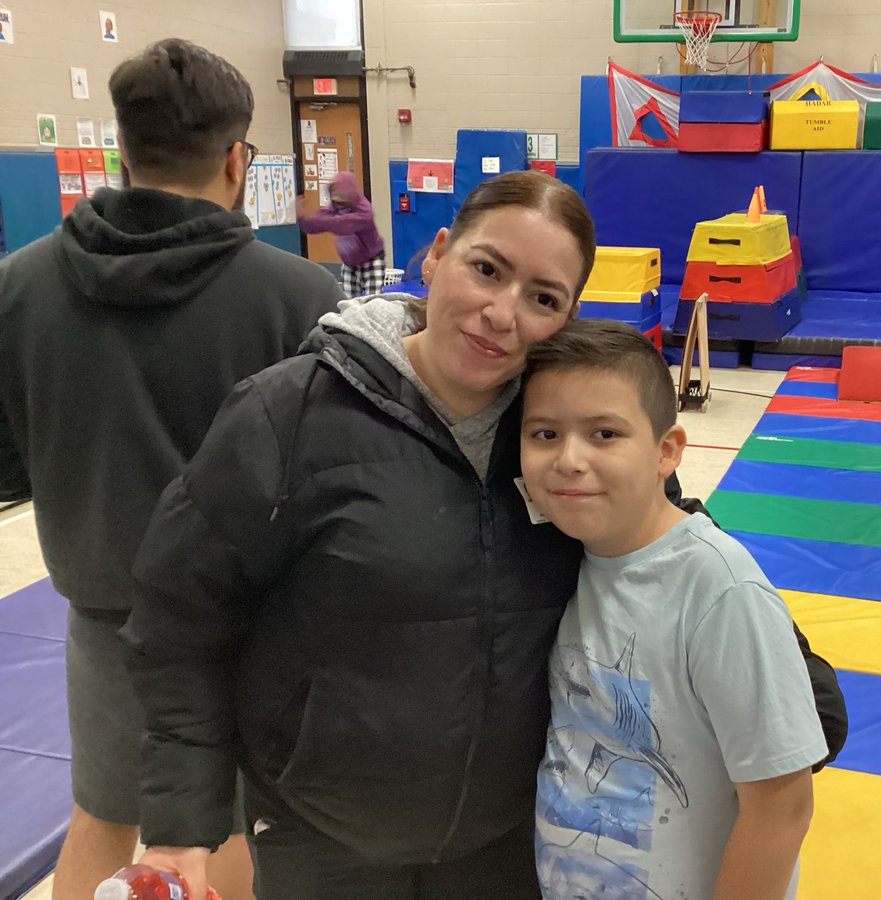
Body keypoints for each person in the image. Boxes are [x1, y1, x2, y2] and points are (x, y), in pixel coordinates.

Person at [123, 170, 598, 899]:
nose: (503, 313)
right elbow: (180, 617)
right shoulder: (287, 415)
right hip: (323, 838)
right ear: (437, 254)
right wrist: (183, 821)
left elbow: (665, 537)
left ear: (566, 317)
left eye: (543, 298)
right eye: (486, 269)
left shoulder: (571, 432)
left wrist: (773, 666)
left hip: (508, 835)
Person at [0, 37, 345, 900]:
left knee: (101, 817)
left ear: (122, 150)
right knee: (225, 824)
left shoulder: (19, 286)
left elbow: (9, 467)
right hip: (245, 625)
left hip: (106, 612)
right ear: (236, 159)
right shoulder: (297, 295)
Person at [520, 318, 828, 900]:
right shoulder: (567, 560)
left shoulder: (719, 589)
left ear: (667, 452)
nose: (569, 459)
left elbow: (783, 807)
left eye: (605, 434)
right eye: (544, 434)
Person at [297, 170, 387, 297]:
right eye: (336, 201)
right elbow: (317, 223)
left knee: (373, 298)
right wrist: (304, 219)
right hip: (350, 262)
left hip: (372, 259)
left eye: (343, 202)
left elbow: (342, 225)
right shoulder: (333, 209)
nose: (339, 205)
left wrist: (321, 221)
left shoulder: (364, 211)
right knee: (348, 301)